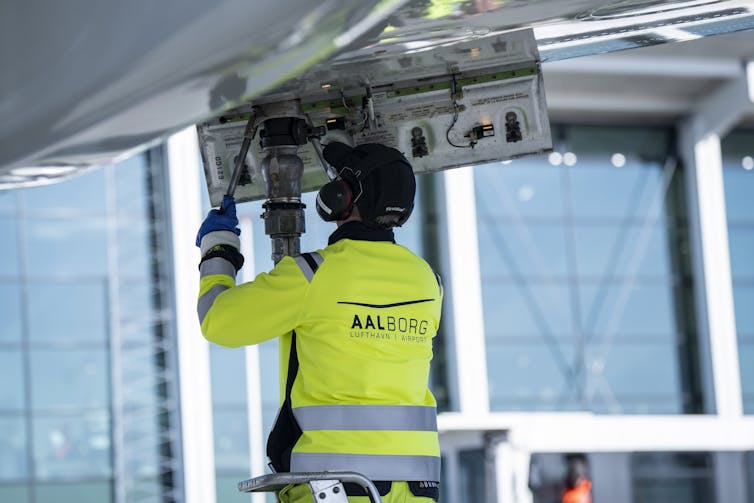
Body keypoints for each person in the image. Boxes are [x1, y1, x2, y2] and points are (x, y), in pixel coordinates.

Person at [195, 142, 443, 503]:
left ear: (341, 197)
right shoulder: (428, 281)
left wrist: (218, 251)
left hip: (339, 488)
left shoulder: (314, 275)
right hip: (416, 492)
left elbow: (218, 320)